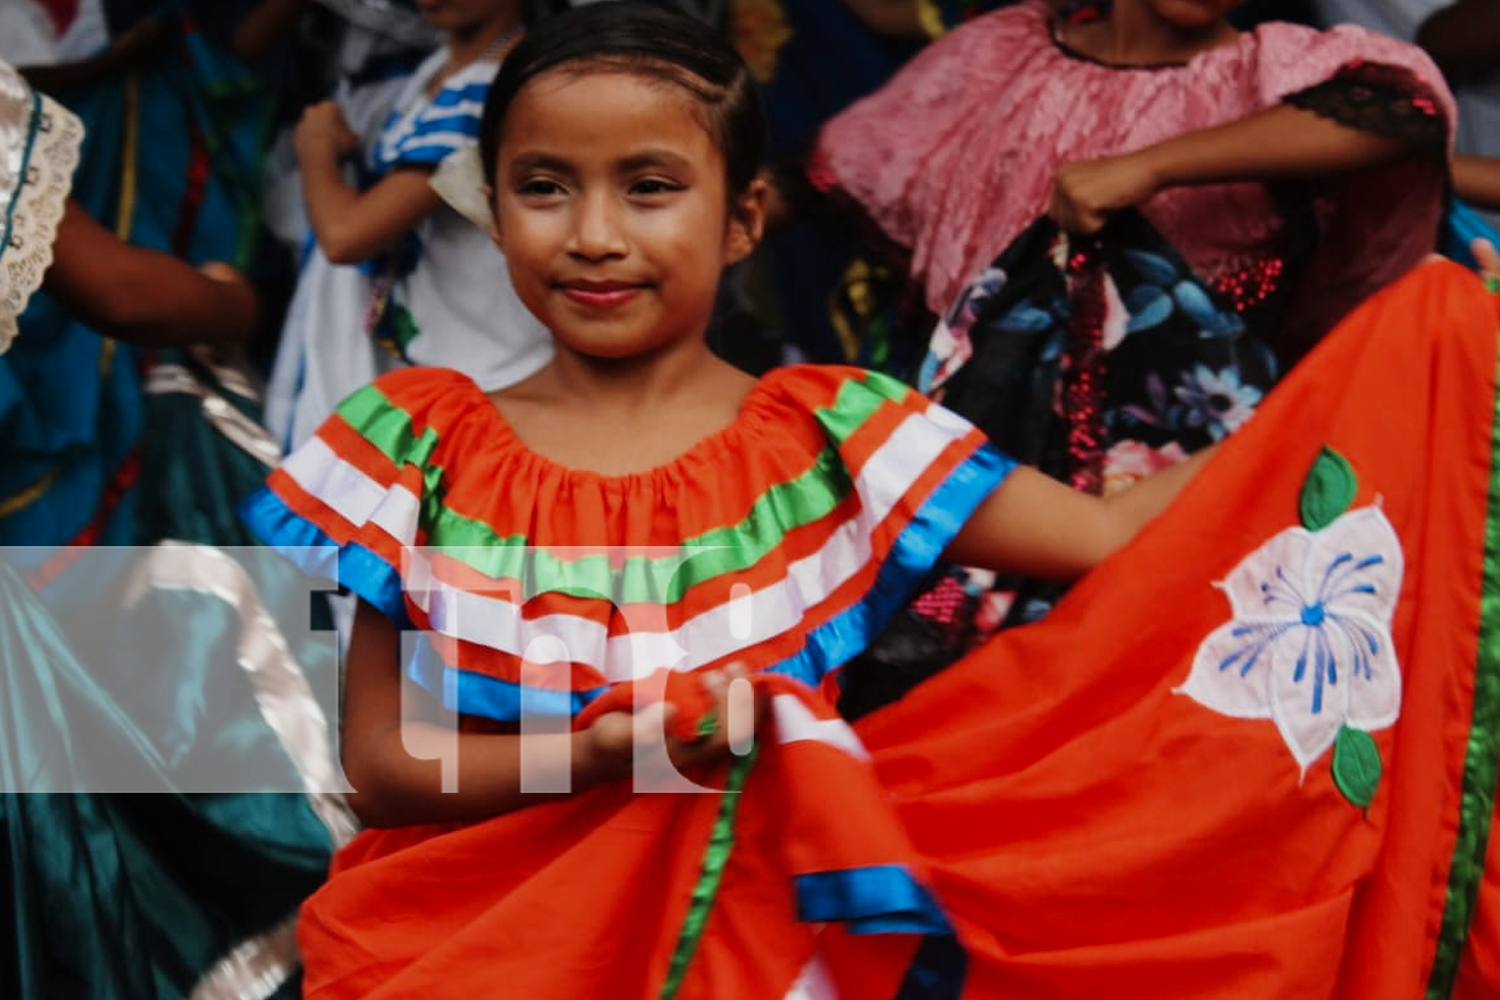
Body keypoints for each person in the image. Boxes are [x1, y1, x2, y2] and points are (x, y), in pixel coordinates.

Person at [240, 5, 1500, 997]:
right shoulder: (401, 446)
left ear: (743, 223)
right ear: (496, 213)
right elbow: (381, 765)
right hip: (461, 954)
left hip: (751, 950)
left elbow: (1115, 539)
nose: (596, 234)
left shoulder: (835, 430)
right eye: (545, 187)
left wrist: (1382, 365)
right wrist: (602, 753)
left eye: (650, 186)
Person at [263, 0, 550, 452]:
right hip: (448, 362)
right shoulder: (437, 74)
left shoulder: (495, 86)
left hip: (492, 369)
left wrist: (316, 149)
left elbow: (345, 237)